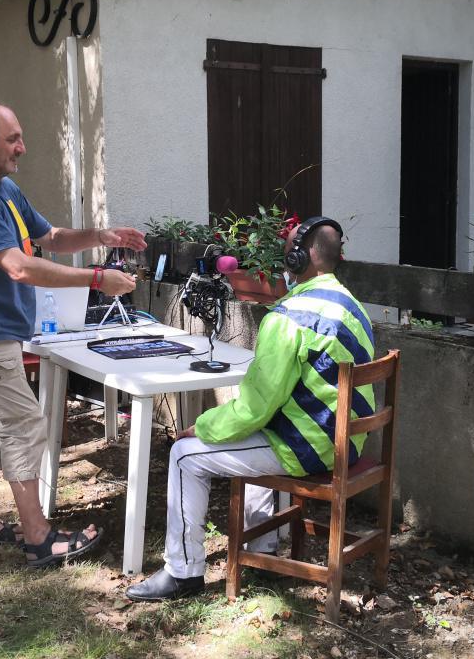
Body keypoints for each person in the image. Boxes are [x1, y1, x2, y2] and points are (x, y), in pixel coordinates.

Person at [0, 100, 146, 569]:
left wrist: (101, 237)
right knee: (24, 424)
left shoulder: (2, 189)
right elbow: (20, 267)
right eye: (12, 139)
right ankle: (39, 537)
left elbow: (49, 238)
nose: (21, 148)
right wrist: (95, 280)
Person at [126, 216, 375, 601]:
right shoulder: (351, 304)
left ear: (301, 258)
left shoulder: (288, 318)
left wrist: (203, 426)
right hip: (346, 441)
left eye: (288, 250)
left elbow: (256, 408)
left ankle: (183, 572)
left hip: (309, 446)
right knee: (254, 435)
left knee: (183, 455)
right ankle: (263, 552)